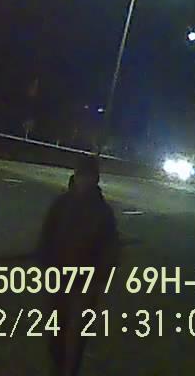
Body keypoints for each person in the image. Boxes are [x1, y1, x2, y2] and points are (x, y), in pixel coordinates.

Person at [37, 155, 119, 376]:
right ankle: (58, 367)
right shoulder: (62, 204)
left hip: (86, 282)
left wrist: (101, 275)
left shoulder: (102, 211)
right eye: (82, 175)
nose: (85, 180)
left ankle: (71, 370)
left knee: (79, 332)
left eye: (89, 176)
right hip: (60, 276)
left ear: (95, 179)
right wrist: (46, 265)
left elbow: (110, 246)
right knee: (57, 328)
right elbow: (47, 236)